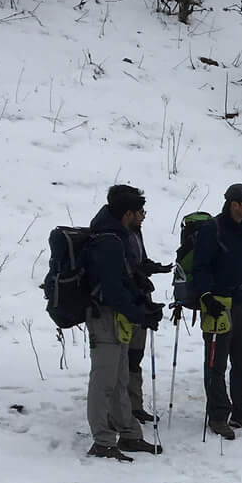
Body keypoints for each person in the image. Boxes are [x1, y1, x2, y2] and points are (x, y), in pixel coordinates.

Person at [83, 185, 164, 460]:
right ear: (127, 213)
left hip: (115, 317)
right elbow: (113, 288)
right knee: (104, 380)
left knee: (119, 379)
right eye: (139, 211)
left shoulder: (120, 236)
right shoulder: (108, 239)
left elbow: (125, 280)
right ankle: (102, 441)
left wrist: (143, 305)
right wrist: (140, 313)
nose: (142, 216)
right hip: (103, 316)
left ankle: (128, 434)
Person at [195, 183, 242, 440]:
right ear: (234, 204)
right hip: (219, 306)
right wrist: (206, 297)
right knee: (216, 363)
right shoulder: (211, 229)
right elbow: (200, 268)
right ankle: (217, 415)